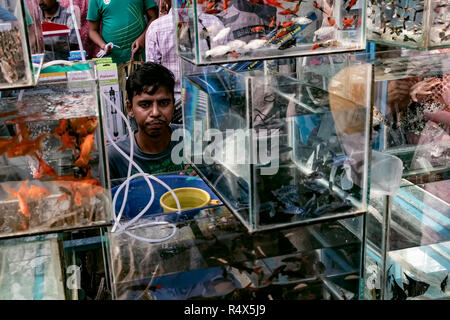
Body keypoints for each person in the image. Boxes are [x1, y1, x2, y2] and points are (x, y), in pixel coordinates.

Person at [145, 0, 225, 124]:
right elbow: (225, 68)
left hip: (173, 106)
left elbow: (152, 77)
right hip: (211, 103)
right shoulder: (214, 22)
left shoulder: (156, 28)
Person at [107, 62, 187, 184]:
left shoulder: (191, 140)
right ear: (130, 108)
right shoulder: (115, 157)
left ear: (173, 104)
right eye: (145, 105)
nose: (155, 113)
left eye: (164, 103)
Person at [87, 0, 158, 65]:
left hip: (138, 54)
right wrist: (103, 46)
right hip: (112, 58)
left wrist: (143, 38)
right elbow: (92, 31)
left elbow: (154, 17)